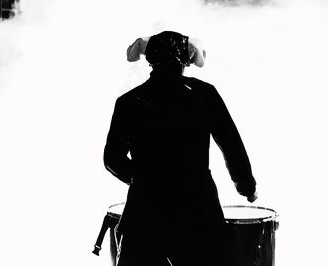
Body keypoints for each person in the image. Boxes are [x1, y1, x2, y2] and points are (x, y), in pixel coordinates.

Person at [103, 31, 257, 266]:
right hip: (198, 212)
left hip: (144, 214)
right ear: (186, 60)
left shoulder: (128, 102)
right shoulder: (205, 94)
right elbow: (230, 144)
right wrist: (247, 187)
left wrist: (144, 178)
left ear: (150, 60)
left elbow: (112, 159)